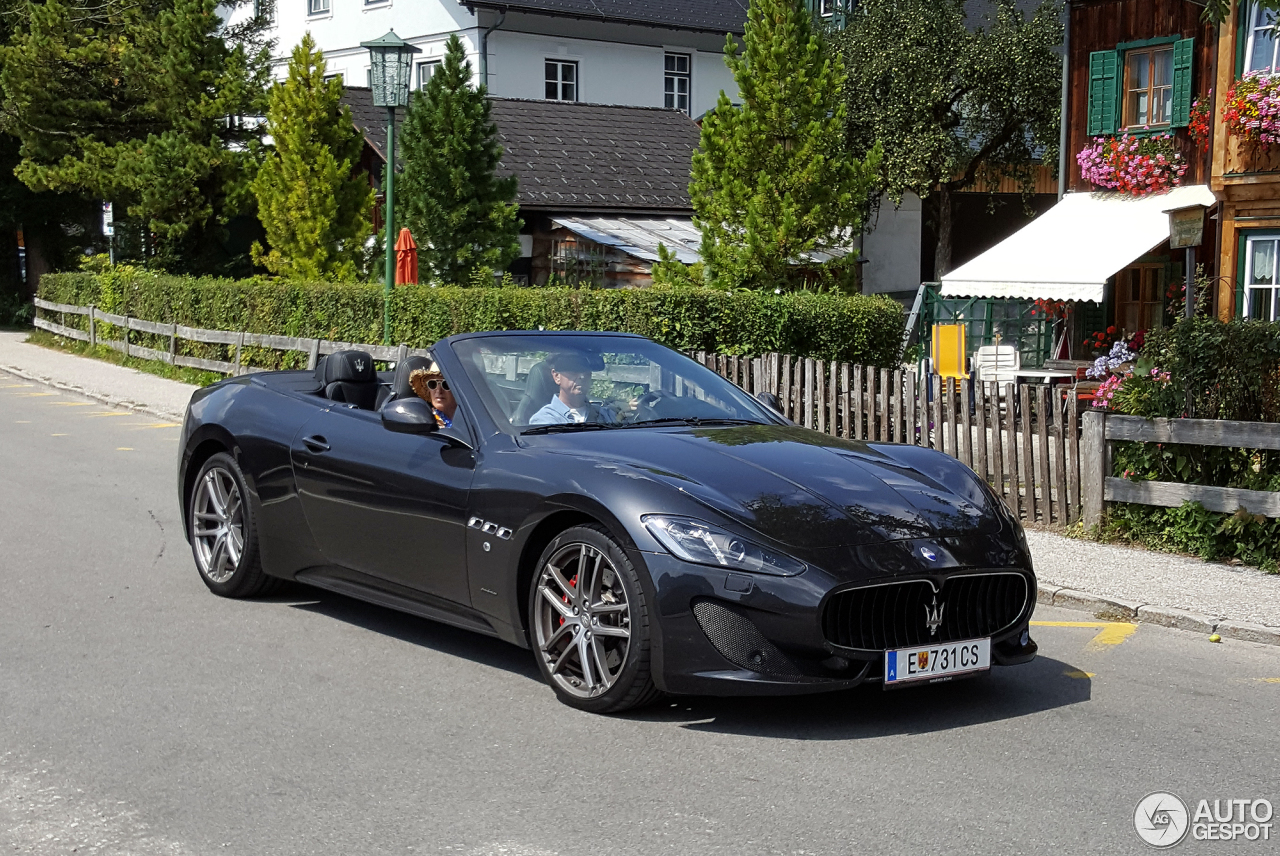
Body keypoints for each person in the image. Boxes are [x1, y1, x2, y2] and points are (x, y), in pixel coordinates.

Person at [529, 352, 620, 425]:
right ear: (556, 376)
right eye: (574, 370)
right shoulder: (544, 420)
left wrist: (625, 413)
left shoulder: (605, 415)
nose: (582, 376)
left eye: (586, 371)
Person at [408, 362, 458, 428]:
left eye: (446, 384)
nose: (438, 391)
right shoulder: (423, 421)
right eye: (432, 384)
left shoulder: (472, 418)